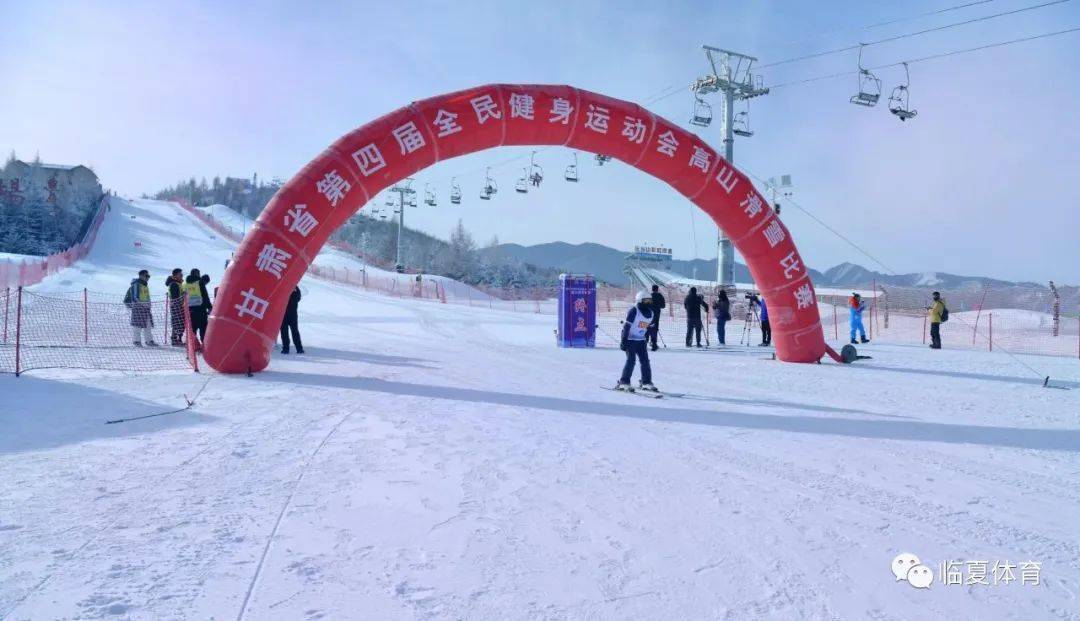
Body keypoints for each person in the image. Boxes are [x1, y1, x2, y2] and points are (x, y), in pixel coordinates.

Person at [617, 290, 656, 392]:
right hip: (630, 339)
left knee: (645, 361)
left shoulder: (651, 313)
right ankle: (624, 382)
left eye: (650, 301)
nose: (648, 303)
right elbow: (627, 326)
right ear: (640, 301)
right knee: (631, 360)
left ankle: (646, 382)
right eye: (646, 301)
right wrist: (624, 340)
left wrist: (654, 341)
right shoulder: (634, 311)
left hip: (641, 340)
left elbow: (651, 328)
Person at [125, 269, 158, 347]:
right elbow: (135, 297)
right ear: (141, 276)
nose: (148, 278)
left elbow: (146, 297)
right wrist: (143, 304)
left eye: (148, 276)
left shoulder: (145, 285)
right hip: (138, 308)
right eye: (147, 276)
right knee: (137, 325)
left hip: (146, 308)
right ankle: (136, 341)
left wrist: (149, 304)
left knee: (148, 324)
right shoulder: (136, 285)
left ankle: (149, 341)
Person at [184, 269, 212, 344]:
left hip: (190, 309)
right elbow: (205, 296)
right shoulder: (200, 283)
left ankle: (193, 345)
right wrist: (209, 307)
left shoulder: (186, 284)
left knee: (193, 328)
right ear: (197, 274)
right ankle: (204, 344)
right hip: (201, 309)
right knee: (203, 327)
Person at [280, 285, 304, 354]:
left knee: (294, 332)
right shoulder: (284, 287)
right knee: (285, 332)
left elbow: (298, 298)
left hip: (291, 314)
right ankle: (286, 348)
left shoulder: (296, 289)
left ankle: (298, 348)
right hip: (284, 315)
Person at [165, 268, 185, 347]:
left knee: (180, 323)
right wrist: (183, 296)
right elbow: (175, 298)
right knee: (177, 322)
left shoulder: (178, 283)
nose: (182, 276)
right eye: (180, 274)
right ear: (175, 275)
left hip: (179, 306)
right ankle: (175, 339)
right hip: (176, 306)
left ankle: (178, 339)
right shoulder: (174, 284)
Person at [647, 284, 666, 351]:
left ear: (652, 289)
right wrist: (658, 305)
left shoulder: (649, 296)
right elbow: (663, 306)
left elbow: (645, 305)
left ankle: (644, 343)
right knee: (655, 329)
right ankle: (654, 344)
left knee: (647, 328)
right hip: (656, 315)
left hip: (648, 315)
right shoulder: (660, 296)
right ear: (657, 289)